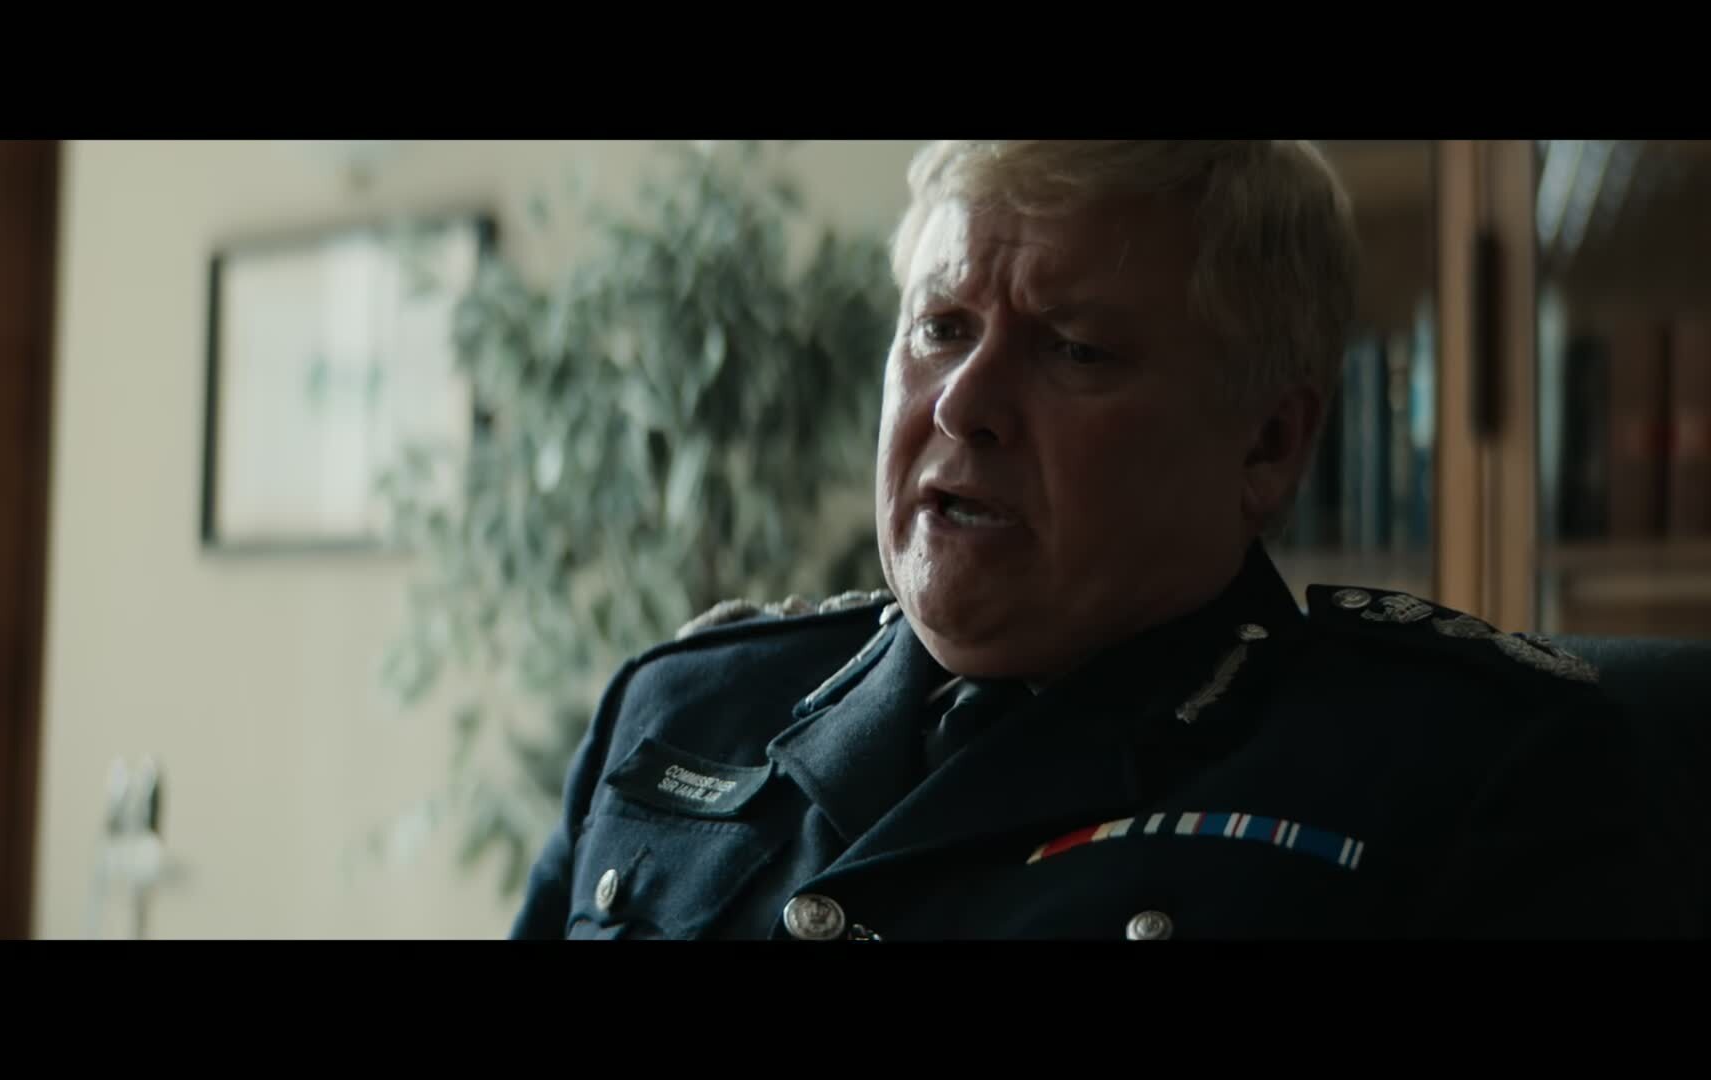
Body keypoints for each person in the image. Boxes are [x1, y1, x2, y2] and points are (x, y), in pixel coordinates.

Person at [507, 140, 1702, 940]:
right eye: (940, 327)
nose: (965, 403)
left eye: (1073, 348)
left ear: (1268, 444)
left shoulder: (1469, 777)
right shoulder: (682, 712)